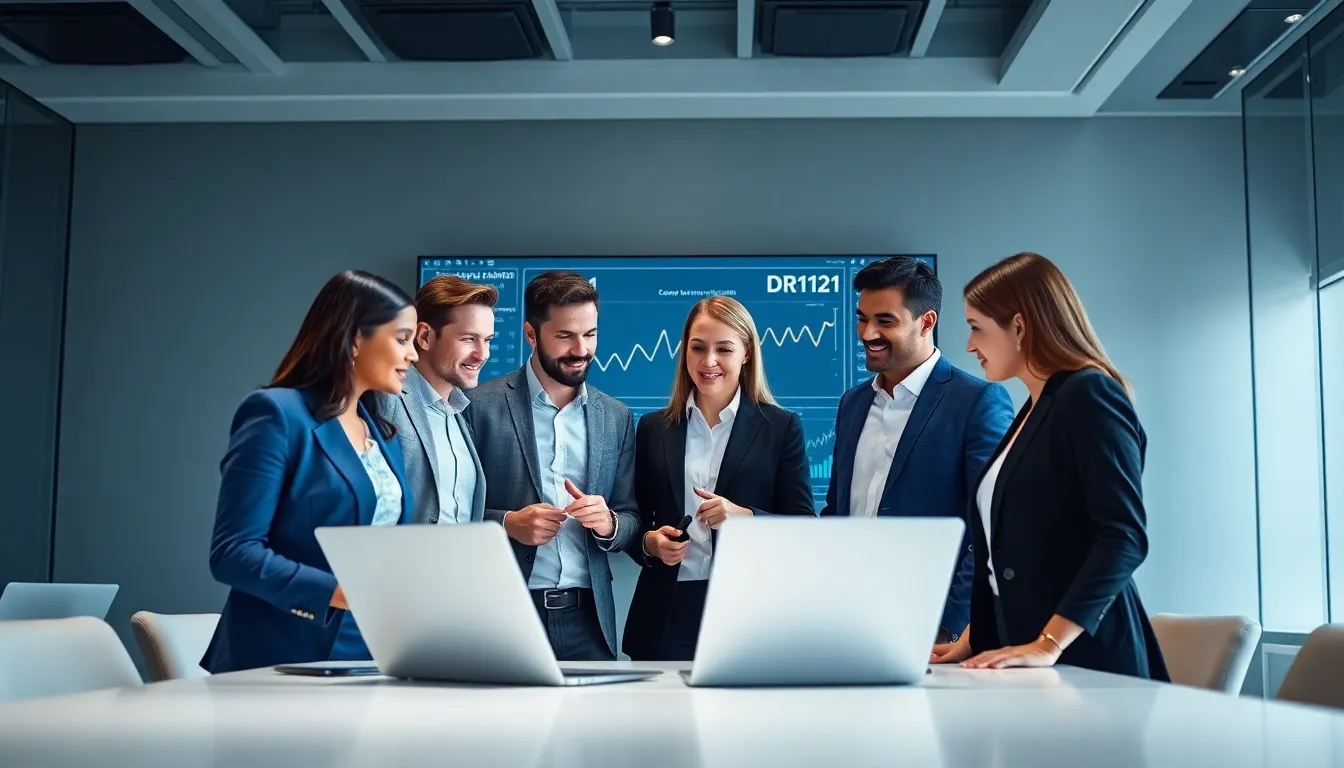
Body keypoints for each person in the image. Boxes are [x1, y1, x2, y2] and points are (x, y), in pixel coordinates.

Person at [931, 251, 1169, 681]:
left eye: (976, 327)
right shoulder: (1034, 408)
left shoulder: (1089, 393)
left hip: (1088, 663)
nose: (968, 345)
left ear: (1019, 327)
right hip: (1023, 657)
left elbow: (1124, 537)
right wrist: (970, 639)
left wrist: (1049, 644)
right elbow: (1004, 557)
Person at [201, 270, 418, 674]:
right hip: (280, 656)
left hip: (370, 654)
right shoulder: (276, 414)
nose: (413, 355)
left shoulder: (381, 432)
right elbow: (233, 552)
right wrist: (339, 592)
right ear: (356, 339)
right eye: (403, 339)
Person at [814, 256, 1015, 643]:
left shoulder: (978, 401)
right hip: (848, 619)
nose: (868, 333)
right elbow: (837, 514)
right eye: (862, 319)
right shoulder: (852, 404)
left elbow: (993, 526)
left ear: (926, 322)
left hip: (934, 629)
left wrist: (949, 626)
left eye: (885, 321)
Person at [622, 296, 813, 661]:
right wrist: (651, 543)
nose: (708, 361)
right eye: (698, 348)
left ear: (746, 354)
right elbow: (635, 521)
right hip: (664, 615)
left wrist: (744, 518)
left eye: (724, 349)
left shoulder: (780, 428)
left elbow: (803, 527)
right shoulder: (652, 428)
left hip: (749, 614)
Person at [462, 270, 639, 661]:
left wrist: (609, 523)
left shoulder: (617, 417)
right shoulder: (477, 407)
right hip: (505, 615)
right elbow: (451, 515)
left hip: (591, 625)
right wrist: (508, 523)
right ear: (531, 334)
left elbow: (631, 519)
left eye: (590, 334)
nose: (581, 349)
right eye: (565, 336)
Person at [378, 275, 495, 525]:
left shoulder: (460, 413)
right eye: (468, 339)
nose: (482, 354)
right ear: (425, 336)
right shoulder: (386, 398)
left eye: (487, 340)